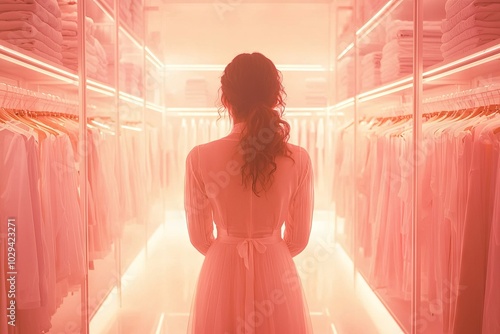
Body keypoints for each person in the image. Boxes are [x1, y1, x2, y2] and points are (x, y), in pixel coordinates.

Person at [184, 52, 314, 334]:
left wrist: (228, 248)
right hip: (277, 268)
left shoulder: (199, 158)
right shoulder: (299, 159)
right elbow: (299, 239)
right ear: (275, 99)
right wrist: (269, 250)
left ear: (226, 100)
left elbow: (198, 237)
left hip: (221, 269)